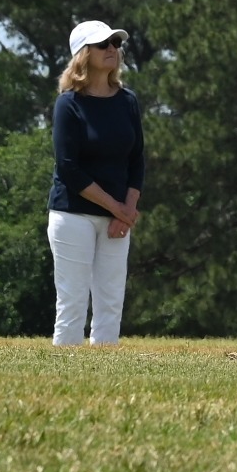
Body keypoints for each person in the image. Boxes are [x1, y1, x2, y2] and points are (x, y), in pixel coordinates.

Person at [48, 20, 143, 347]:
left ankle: (104, 376)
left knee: (111, 299)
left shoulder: (128, 101)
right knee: (72, 302)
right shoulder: (68, 105)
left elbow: (137, 160)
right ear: (83, 55)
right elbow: (69, 169)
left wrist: (126, 211)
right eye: (103, 45)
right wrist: (117, 208)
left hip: (117, 217)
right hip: (73, 215)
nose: (112, 50)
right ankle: (64, 376)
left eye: (115, 44)